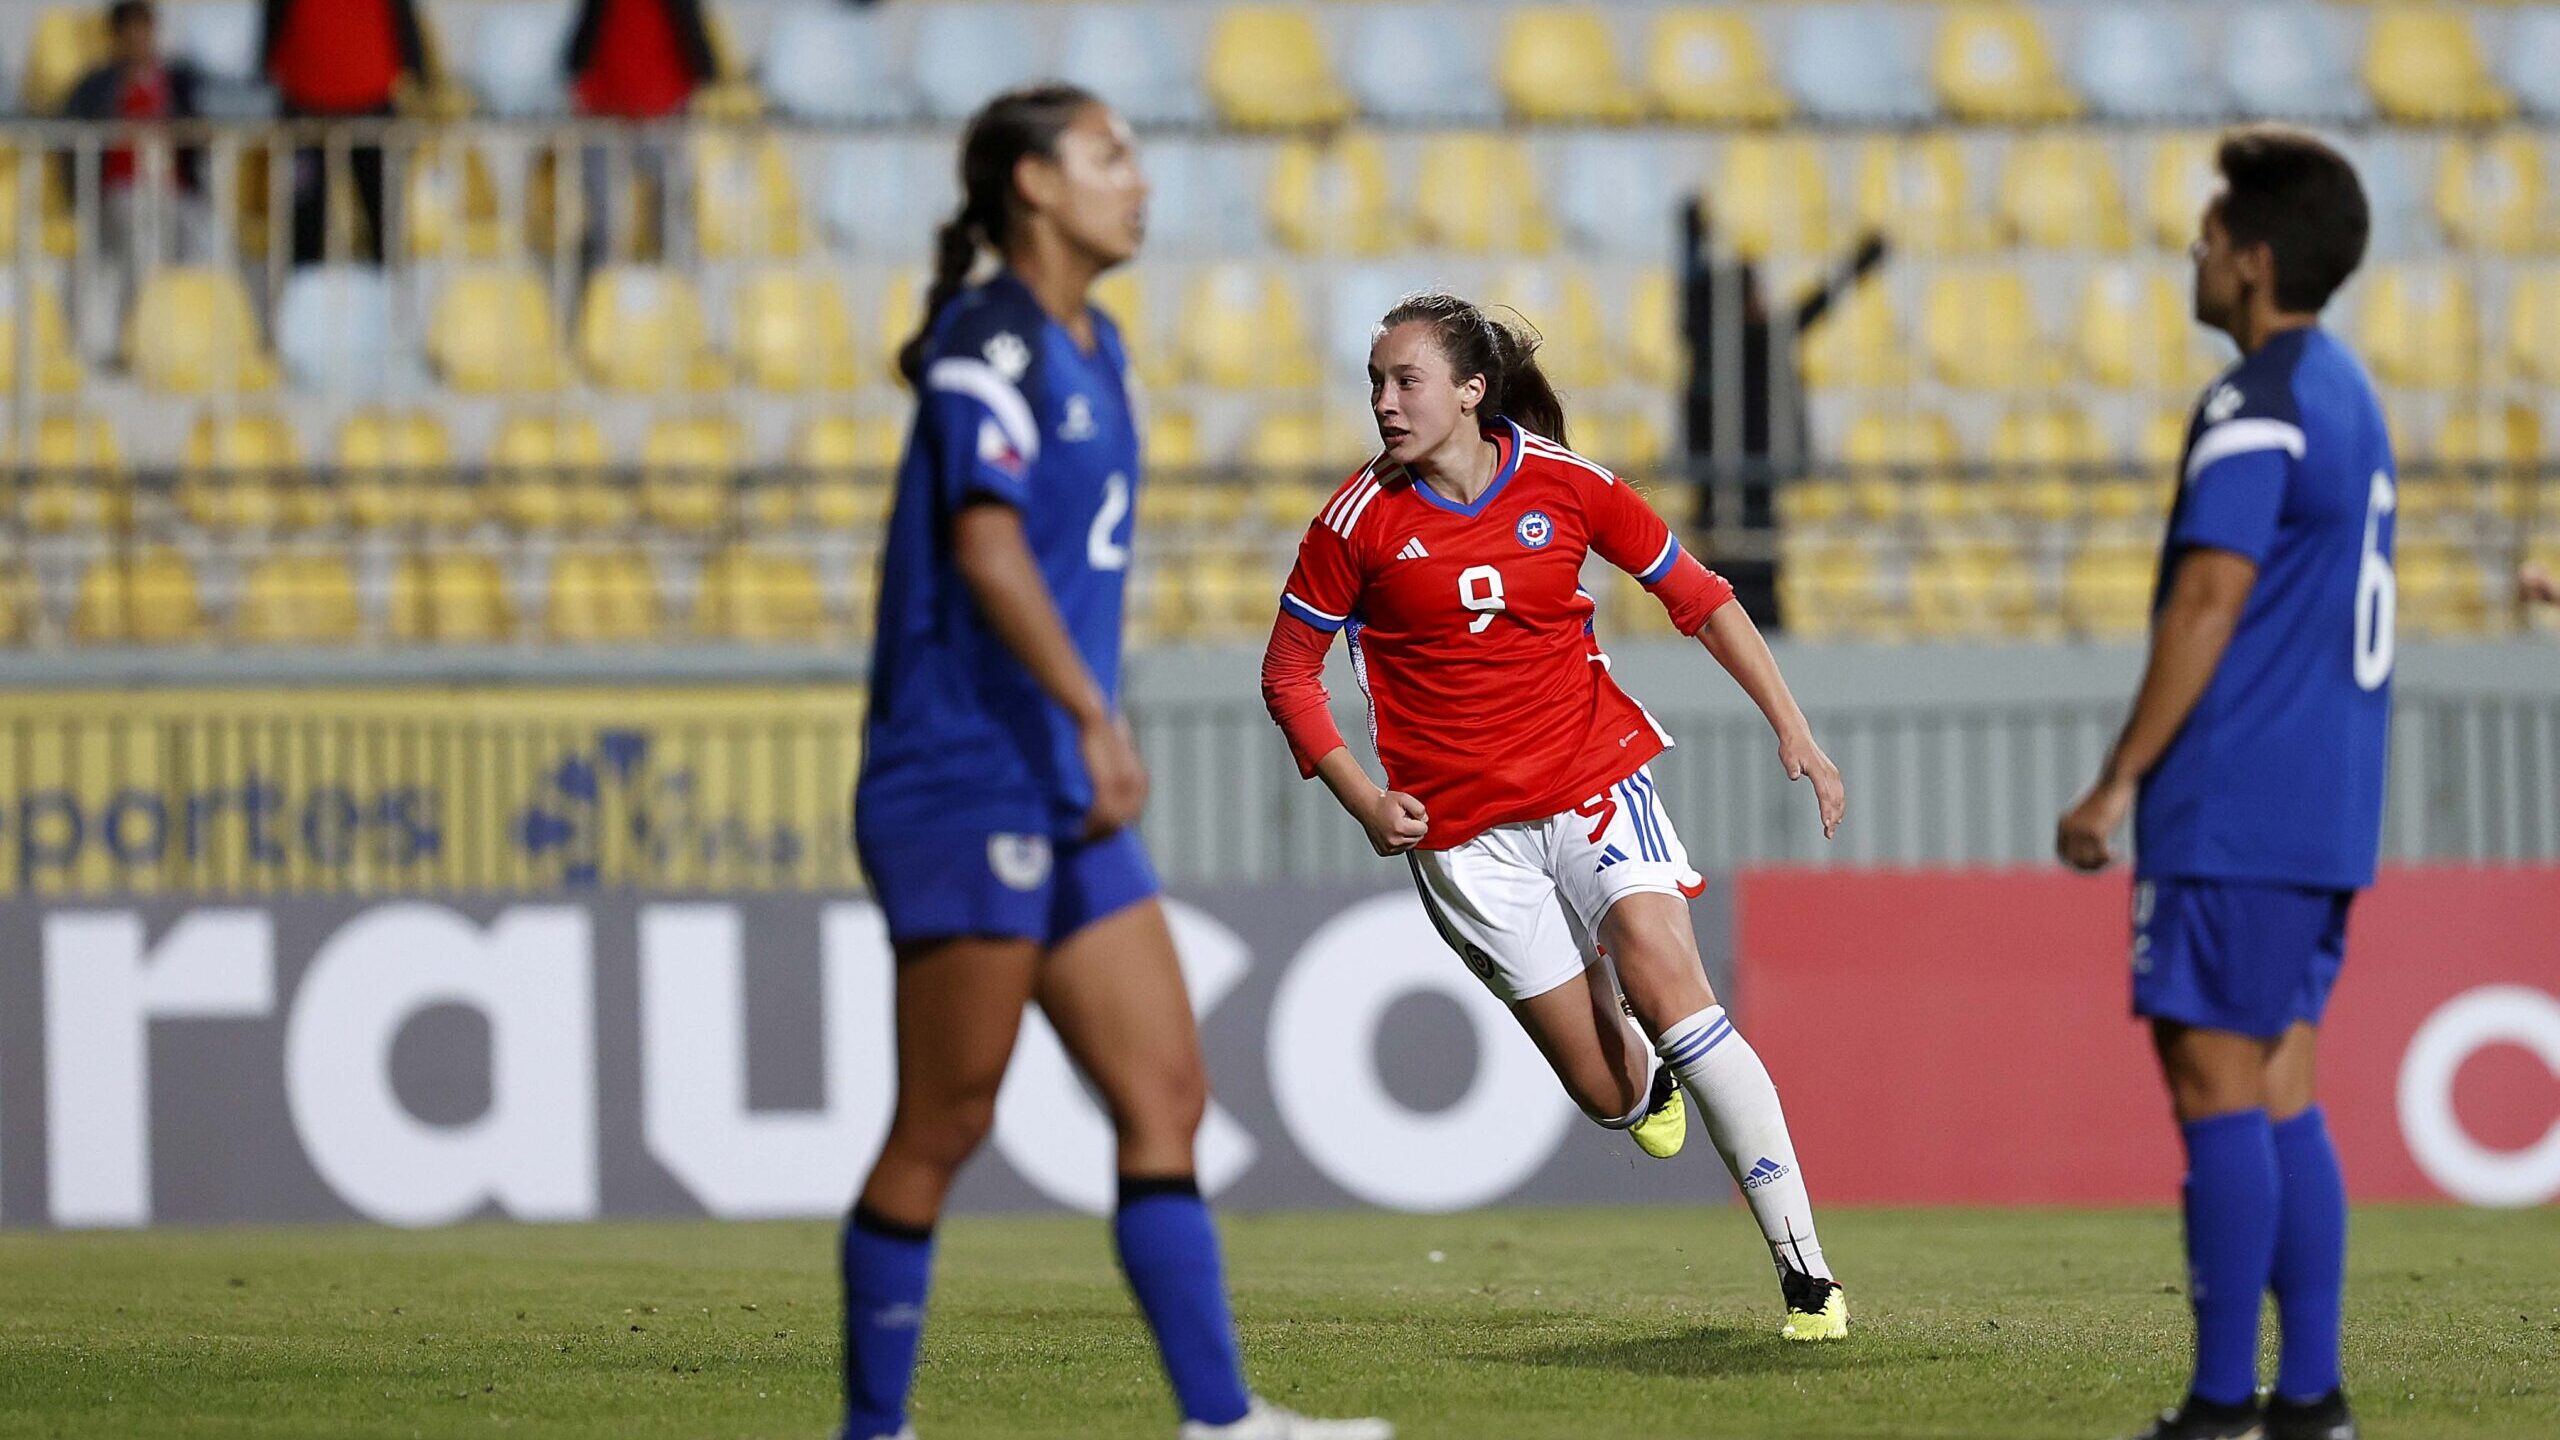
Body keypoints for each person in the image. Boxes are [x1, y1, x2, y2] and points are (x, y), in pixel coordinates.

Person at [844, 84, 1388, 1440]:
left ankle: (1221, 1420)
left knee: (1165, 1092)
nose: (1136, 182)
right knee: (947, 1117)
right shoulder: (995, 345)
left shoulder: (1094, 346)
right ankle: (871, 1429)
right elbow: (985, 544)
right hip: (965, 773)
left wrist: (1083, 728)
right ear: (1034, 184)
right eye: (1107, 157)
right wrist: (1095, 711)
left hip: (1059, 779)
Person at [1260, 290, 1852, 1342]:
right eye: (1375, 384)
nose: (1384, 404)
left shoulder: (1568, 487)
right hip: (1463, 837)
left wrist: (1792, 726)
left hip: (1592, 778)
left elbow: (1700, 594)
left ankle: (1806, 1275)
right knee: (1610, 1093)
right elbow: (1289, 672)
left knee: (1675, 983)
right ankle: (1638, 1078)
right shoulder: (1354, 523)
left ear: (1471, 391)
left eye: (1406, 381)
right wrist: (1360, 796)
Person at [2057, 127, 2389, 1440]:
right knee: (2283, 1087)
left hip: (2236, 804)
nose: (2189, 251)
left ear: (2251, 262)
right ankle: (2309, 1403)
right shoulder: (2351, 393)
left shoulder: (2256, 401)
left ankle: (2220, 1410)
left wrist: (2115, 781)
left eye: (2206, 236)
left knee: (2214, 1090)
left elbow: (2210, 594)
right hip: (2326, 808)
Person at [1680, 198, 1888, 624]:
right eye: (1756, 292)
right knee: (1744, 576)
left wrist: (1691, 239)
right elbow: (1814, 306)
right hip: (1738, 484)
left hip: (1736, 482)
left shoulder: (1716, 346)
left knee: (1733, 578)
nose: (1763, 300)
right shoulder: (1747, 343)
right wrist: (1860, 263)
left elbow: (1694, 299)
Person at [63, 0, 211, 347]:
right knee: (137, 237)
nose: (138, 43)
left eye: (144, 33)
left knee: (205, 238)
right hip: (119, 193)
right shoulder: (95, 87)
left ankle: (191, 339)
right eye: (129, 35)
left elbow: (202, 130)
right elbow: (70, 141)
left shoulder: (179, 82)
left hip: (174, 194)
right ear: (116, 38)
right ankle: (133, 336)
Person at [259, 0, 433, 262]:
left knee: (383, 221)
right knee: (307, 226)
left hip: (363, 97)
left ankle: (386, 294)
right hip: (309, 98)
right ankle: (308, 295)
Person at [560, 0, 716, 273]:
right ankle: (599, 302)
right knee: (604, 230)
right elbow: (577, 52)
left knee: (671, 227)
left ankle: (675, 296)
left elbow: (701, 55)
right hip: (605, 119)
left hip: (662, 118)